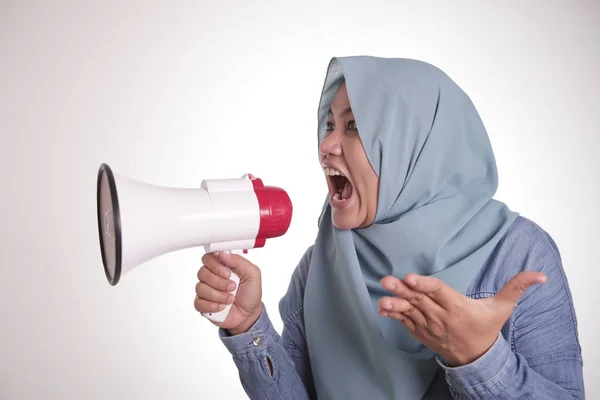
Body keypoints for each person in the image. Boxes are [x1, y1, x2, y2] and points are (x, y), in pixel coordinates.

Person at [193, 56, 585, 399]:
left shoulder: (518, 254)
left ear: (415, 145)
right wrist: (249, 327)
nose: (326, 144)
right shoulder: (320, 264)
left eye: (353, 127)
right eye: (329, 124)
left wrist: (480, 358)